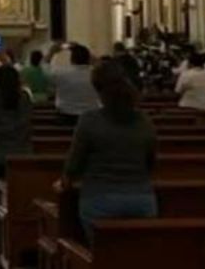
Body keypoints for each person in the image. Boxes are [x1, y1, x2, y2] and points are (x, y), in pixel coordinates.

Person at [62, 61, 157, 244]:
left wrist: (65, 181)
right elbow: (150, 162)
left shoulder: (89, 121)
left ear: (98, 90)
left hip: (99, 200)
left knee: (105, 256)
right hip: (141, 200)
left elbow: (74, 164)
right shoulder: (145, 122)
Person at [0, 64, 32, 250]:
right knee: (19, 196)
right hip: (20, 155)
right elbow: (26, 123)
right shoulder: (24, 97)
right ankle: (20, 236)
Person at [45, 43, 100, 126]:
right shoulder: (97, 73)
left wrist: (52, 52)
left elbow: (44, 69)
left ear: (72, 59)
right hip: (91, 118)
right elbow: (102, 64)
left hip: (65, 116)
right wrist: (90, 55)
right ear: (88, 59)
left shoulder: (61, 73)